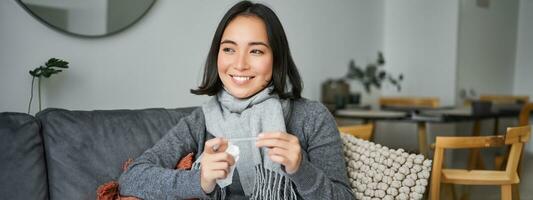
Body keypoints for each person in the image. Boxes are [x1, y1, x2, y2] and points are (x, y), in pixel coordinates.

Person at [119, 1, 353, 199]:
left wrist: (302, 170)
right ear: (217, 55)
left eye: (256, 51)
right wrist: (200, 179)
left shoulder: (311, 118)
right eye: (229, 49)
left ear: (277, 59)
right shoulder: (201, 121)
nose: (240, 64)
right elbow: (132, 178)